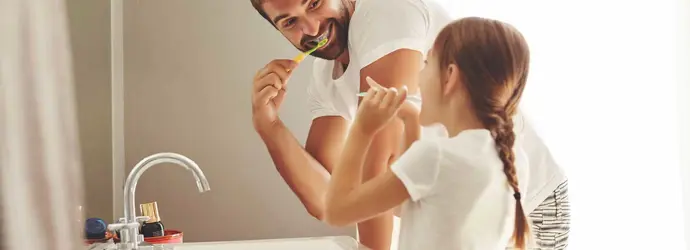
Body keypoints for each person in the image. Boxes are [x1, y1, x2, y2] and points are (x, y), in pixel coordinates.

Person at [249, 0, 569, 249]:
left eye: (315, 2)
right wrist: (269, 125)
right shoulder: (325, 79)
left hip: (527, 206)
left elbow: (379, 167)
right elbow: (329, 201)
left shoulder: (385, 13)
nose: (312, 27)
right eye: (290, 21)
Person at [323, 16, 533, 249]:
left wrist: (362, 130)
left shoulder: (436, 156)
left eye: (425, 63)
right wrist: (410, 119)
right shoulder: (512, 158)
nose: (419, 77)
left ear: (449, 76)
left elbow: (337, 212)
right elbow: (409, 204)